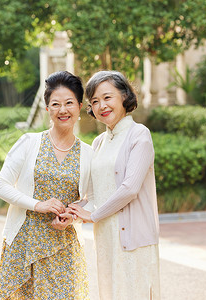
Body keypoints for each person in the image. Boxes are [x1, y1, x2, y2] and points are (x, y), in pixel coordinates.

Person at [0, 71, 93, 299]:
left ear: (79, 107)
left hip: (64, 246)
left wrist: (73, 215)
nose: (63, 110)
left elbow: (92, 197)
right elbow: (1, 186)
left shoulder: (89, 154)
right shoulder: (28, 142)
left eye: (69, 103)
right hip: (23, 243)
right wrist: (38, 204)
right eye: (55, 104)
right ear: (47, 109)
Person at [67, 70, 161, 299]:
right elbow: (91, 194)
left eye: (107, 97)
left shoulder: (139, 135)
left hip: (134, 240)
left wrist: (94, 215)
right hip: (106, 238)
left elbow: (129, 188)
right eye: (95, 101)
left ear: (124, 96)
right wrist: (72, 213)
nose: (101, 106)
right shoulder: (99, 142)